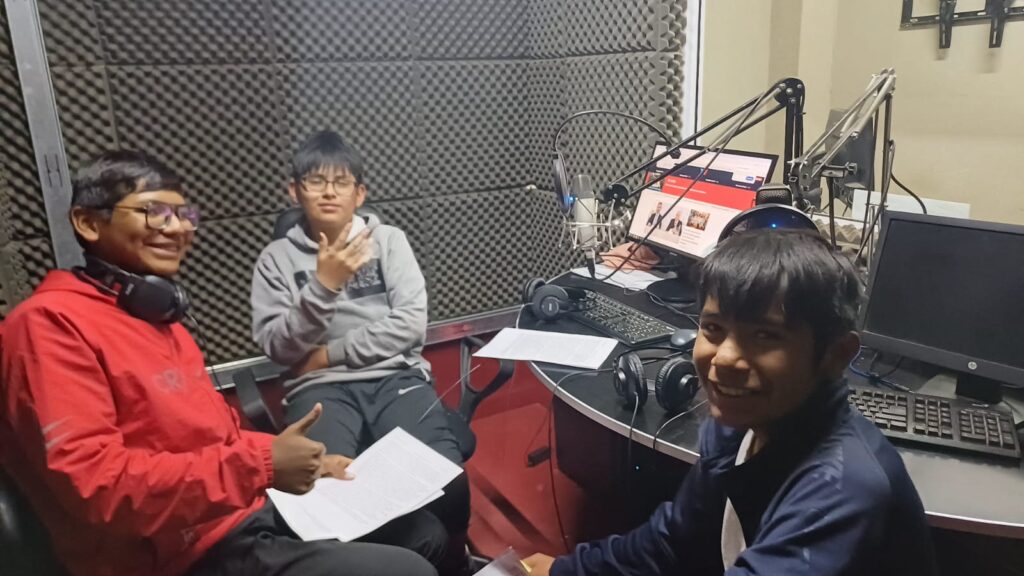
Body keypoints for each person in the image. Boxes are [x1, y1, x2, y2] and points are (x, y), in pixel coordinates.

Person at [0, 150, 443, 576]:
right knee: (409, 570)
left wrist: (297, 459)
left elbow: (211, 438)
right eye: (154, 213)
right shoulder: (49, 326)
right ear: (87, 222)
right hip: (178, 556)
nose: (177, 228)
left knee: (425, 532)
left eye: (184, 215)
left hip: (235, 512)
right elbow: (99, 490)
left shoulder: (156, 317)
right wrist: (263, 464)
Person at [523, 229, 937, 575]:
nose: (724, 359)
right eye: (713, 329)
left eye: (765, 336)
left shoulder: (844, 492)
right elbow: (671, 540)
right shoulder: (740, 424)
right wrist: (565, 571)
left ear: (837, 354)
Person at [250, 131, 469, 574]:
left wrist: (327, 354)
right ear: (293, 191)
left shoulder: (387, 241)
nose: (329, 192)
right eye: (316, 181)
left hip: (396, 377)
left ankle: (452, 563)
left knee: (448, 481)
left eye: (341, 182)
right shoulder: (276, 259)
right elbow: (278, 346)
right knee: (321, 499)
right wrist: (323, 286)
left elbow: (410, 325)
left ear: (360, 193)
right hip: (319, 390)